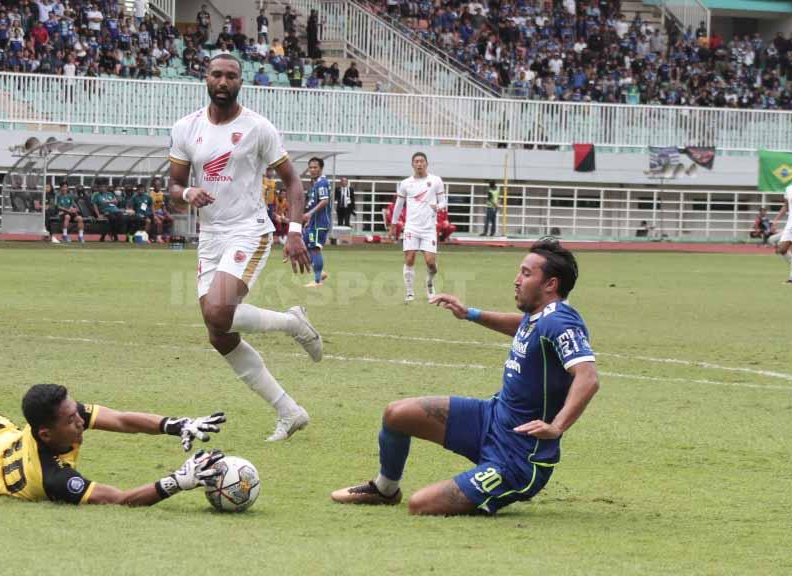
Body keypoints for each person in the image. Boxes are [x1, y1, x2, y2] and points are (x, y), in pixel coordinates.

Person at [332, 238, 600, 516]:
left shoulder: (560, 320)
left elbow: (588, 377)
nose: (517, 280)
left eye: (526, 273)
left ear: (550, 284)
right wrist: (469, 313)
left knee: (420, 504)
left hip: (519, 458)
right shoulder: (540, 317)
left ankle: (490, 483)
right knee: (396, 414)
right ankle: (385, 489)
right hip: (491, 419)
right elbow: (522, 326)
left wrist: (556, 427)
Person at [167, 53, 321, 442]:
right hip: (210, 236)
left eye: (231, 76)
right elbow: (173, 187)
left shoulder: (258, 128)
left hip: (248, 231)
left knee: (219, 311)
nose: (223, 81)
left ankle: (292, 323)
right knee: (218, 332)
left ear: (240, 82)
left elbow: (293, 182)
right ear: (206, 78)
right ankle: (289, 411)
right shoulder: (186, 128)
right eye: (216, 74)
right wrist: (186, 192)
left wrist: (295, 231)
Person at [0, 375, 228, 506]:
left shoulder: (60, 421)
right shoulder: (55, 477)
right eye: (71, 419)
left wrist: (175, 424)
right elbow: (119, 499)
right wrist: (177, 482)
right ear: (46, 433)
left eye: (77, 412)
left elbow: (120, 419)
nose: (80, 419)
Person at [391, 152, 446, 302]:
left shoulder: (436, 180)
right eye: (416, 161)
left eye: (422, 161)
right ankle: (409, 292)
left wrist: (438, 207)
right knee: (409, 258)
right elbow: (399, 205)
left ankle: (429, 283)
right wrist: (394, 223)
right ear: (412, 164)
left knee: (431, 263)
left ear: (426, 163)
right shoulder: (405, 183)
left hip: (429, 228)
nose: (419, 164)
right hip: (411, 227)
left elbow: (443, 201)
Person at [302, 157, 331, 287]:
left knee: (314, 249)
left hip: (320, 223)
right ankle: (320, 272)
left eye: (315, 167)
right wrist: (309, 219)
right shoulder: (315, 184)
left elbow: (324, 201)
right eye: (310, 167)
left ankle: (318, 280)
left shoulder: (322, 183)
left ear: (321, 168)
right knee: (304, 245)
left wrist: (310, 213)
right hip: (313, 223)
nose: (312, 170)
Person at [150, 177, 173, 243]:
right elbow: (151, 207)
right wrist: (155, 215)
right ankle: (158, 237)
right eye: (156, 185)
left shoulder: (162, 194)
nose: (158, 186)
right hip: (153, 212)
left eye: (159, 185)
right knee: (159, 222)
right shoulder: (151, 194)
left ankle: (166, 235)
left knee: (171, 219)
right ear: (153, 185)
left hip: (160, 212)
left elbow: (163, 206)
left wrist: (166, 214)